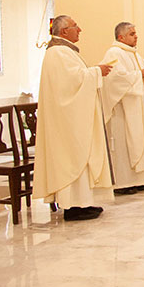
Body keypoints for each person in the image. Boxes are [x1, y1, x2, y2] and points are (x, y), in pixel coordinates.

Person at [32, 15, 113, 221]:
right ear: (63, 31)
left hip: (70, 117)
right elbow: (72, 82)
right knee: (71, 157)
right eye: (75, 26)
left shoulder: (64, 52)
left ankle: (81, 203)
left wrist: (94, 72)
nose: (80, 29)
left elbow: (75, 79)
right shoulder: (58, 53)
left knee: (78, 156)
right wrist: (97, 71)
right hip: (66, 120)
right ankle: (72, 206)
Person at [99, 22, 144, 195]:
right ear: (121, 37)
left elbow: (142, 73)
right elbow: (114, 79)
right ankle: (124, 183)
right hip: (123, 109)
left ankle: (140, 179)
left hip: (137, 106)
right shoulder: (114, 52)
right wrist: (138, 75)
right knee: (125, 144)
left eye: (135, 33)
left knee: (140, 140)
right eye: (132, 34)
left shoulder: (135, 55)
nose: (136, 36)